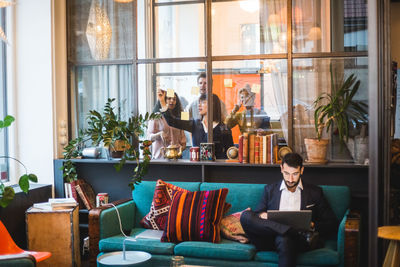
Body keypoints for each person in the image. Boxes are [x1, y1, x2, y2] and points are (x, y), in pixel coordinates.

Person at [240, 153, 338, 267]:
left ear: (302, 170)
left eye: (295, 174)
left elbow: (332, 223)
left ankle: (288, 233)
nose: (290, 179)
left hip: (297, 240)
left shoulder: (315, 193)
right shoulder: (270, 190)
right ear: (281, 169)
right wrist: (262, 215)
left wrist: (311, 224)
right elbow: (258, 214)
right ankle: (290, 230)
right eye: (286, 173)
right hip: (268, 239)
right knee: (245, 215)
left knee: (284, 239)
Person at [162, 93, 234, 159]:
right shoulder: (195, 124)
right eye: (199, 102)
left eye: (203, 102)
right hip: (197, 168)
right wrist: (162, 102)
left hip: (217, 169)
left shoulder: (224, 128)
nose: (199, 105)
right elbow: (172, 121)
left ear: (212, 105)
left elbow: (230, 153)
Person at [147, 89, 186, 159]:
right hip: (160, 158)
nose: (172, 101)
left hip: (176, 159)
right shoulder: (155, 117)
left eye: (174, 99)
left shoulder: (178, 118)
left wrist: (179, 150)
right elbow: (149, 138)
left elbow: (183, 142)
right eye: (169, 98)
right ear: (163, 100)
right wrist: (159, 134)